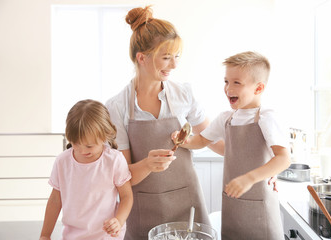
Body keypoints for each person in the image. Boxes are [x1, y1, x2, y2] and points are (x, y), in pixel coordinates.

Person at [105, 6, 225, 240]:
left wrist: (261, 163)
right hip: (141, 208)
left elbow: (215, 140)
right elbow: (122, 176)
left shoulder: (183, 94)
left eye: (177, 56)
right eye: (167, 57)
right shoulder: (116, 106)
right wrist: (148, 165)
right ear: (142, 58)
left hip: (186, 205)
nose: (174, 65)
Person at [171, 51, 291, 240]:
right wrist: (182, 140)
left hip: (260, 209)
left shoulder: (267, 117)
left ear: (258, 89)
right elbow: (201, 140)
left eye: (237, 82)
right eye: (226, 81)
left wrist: (249, 178)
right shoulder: (226, 118)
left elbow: (283, 159)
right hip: (233, 208)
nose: (228, 88)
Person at [39, 99, 133, 240]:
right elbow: (55, 201)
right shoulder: (62, 162)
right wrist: (45, 235)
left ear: (105, 135)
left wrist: (119, 221)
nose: (82, 151)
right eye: (76, 144)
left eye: (89, 146)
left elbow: (126, 196)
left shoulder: (114, 160)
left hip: (107, 236)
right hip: (73, 236)